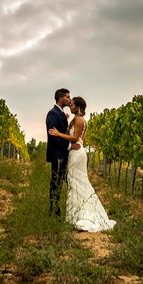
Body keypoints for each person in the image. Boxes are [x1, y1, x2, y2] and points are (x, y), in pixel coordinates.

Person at [49, 96, 116, 232]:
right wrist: (67, 121)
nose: (70, 106)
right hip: (75, 152)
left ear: (78, 107)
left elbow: (75, 138)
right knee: (74, 182)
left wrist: (58, 134)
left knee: (78, 182)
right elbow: (72, 135)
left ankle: (83, 214)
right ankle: (77, 214)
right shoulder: (75, 119)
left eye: (72, 105)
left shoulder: (79, 120)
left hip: (77, 155)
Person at [45, 88, 79, 218]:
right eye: (67, 97)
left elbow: (62, 133)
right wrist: (70, 145)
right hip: (57, 154)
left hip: (62, 154)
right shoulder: (52, 113)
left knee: (59, 181)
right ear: (60, 98)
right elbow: (53, 136)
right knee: (55, 182)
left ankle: (56, 208)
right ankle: (53, 210)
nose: (70, 100)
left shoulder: (60, 113)